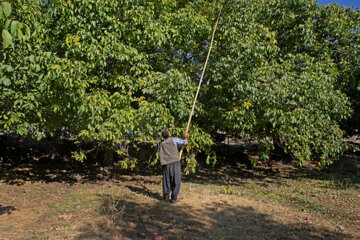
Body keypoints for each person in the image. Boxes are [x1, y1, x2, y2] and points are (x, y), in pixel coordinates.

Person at [159, 130, 188, 203]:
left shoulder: (162, 144)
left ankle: (166, 196)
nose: (169, 131)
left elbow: (161, 155)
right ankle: (174, 198)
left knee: (167, 180)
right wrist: (185, 137)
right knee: (176, 180)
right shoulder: (174, 140)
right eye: (168, 131)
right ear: (168, 134)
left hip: (166, 164)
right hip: (175, 162)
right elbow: (185, 142)